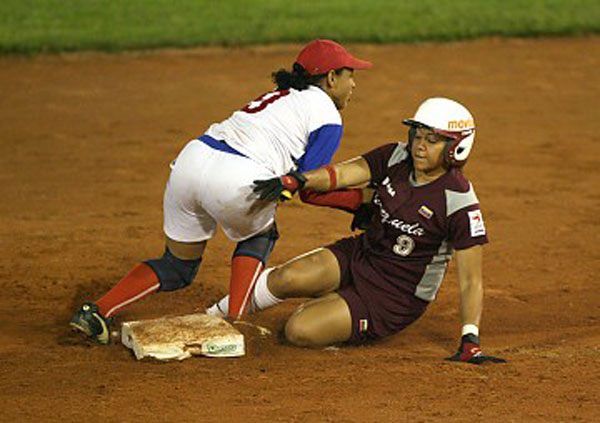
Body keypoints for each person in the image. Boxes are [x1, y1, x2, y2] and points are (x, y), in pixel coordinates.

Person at [69, 39, 372, 344]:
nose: (354, 84)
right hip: (237, 176)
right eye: (350, 75)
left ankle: (96, 311)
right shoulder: (327, 114)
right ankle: (234, 321)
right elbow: (312, 186)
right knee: (259, 236)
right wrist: (358, 203)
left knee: (177, 266)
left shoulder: (280, 96)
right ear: (331, 78)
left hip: (190, 162)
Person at [218, 97, 506, 364]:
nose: (420, 146)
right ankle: (216, 315)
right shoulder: (395, 157)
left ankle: (337, 306)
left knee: (298, 329)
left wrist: (471, 339)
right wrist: (296, 181)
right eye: (417, 136)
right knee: (286, 278)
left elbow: (471, 281)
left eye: (432, 141)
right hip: (361, 255)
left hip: (392, 297)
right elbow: (343, 174)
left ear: (456, 147)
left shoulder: (458, 201)